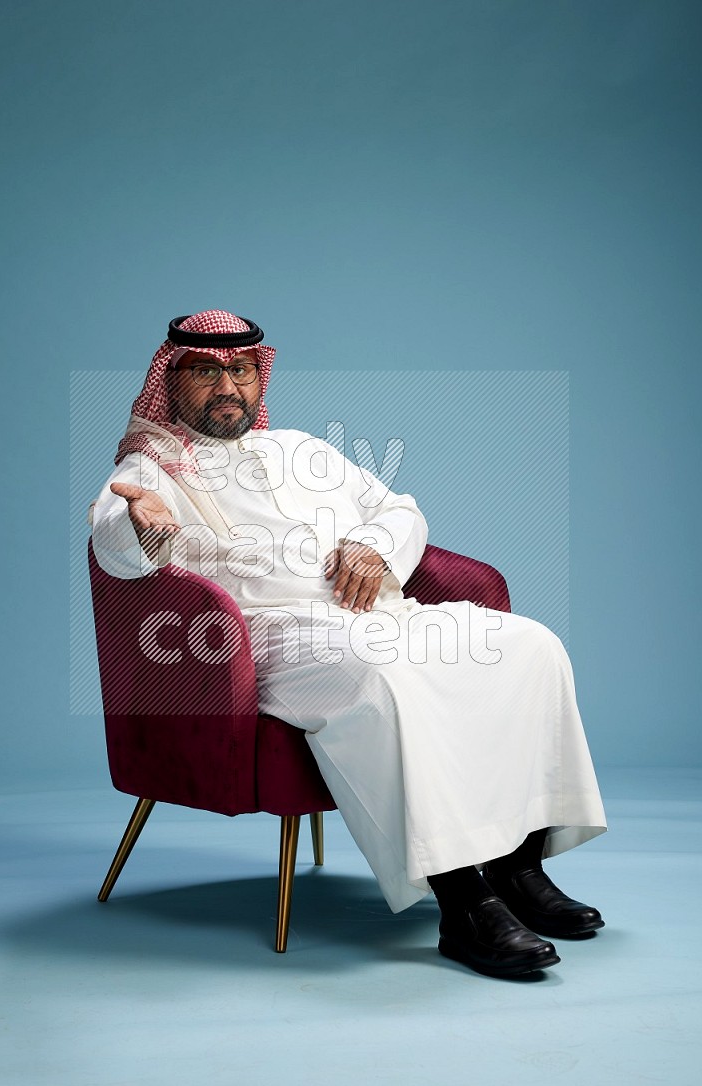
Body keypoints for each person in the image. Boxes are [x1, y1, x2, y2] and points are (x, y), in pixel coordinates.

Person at [90, 309, 608, 978]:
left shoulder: (300, 448)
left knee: (530, 647)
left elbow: (401, 509)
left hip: (380, 612)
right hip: (264, 640)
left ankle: (518, 867)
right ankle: (463, 902)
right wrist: (145, 527)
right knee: (382, 676)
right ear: (172, 379)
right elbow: (113, 548)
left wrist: (376, 549)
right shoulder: (149, 467)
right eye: (206, 373)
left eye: (242, 371)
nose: (229, 388)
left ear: (259, 376)